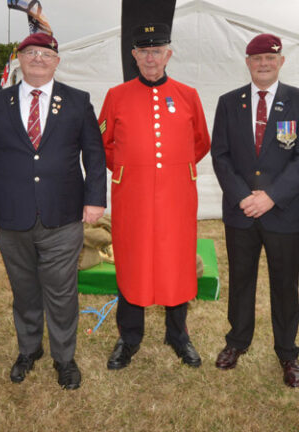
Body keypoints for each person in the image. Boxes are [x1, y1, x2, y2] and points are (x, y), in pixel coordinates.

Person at [0, 32, 106, 390]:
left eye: (46, 54)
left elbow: (94, 154)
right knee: (24, 290)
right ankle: (29, 350)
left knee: (61, 292)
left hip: (63, 215)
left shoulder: (77, 101)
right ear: (20, 59)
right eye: (31, 53)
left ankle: (64, 357)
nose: (38, 59)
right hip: (12, 218)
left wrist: (95, 200)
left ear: (57, 61)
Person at [98, 23, 210, 370]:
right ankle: (129, 338)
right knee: (133, 262)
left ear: (168, 54)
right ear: (134, 56)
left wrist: (170, 170)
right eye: (143, 51)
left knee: (176, 263)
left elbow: (201, 141)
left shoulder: (188, 94)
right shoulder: (116, 95)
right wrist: (135, 169)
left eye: (157, 51)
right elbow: (104, 142)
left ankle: (178, 335)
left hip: (177, 197)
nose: (150, 58)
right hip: (132, 197)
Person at [210, 33, 299, 387]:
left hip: (282, 211)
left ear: (281, 62)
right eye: (256, 58)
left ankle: (287, 353)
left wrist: (271, 196)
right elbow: (220, 154)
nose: (263, 64)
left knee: (284, 285)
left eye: (270, 58)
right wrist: (244, 196)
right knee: (241, 280)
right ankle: (236, 341)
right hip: (240, 211)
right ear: (247, 62)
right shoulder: (229, 102)